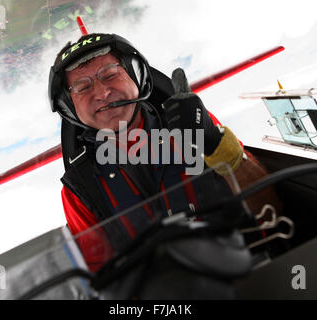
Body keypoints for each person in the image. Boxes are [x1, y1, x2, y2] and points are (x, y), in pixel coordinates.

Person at [49, 33, 281, 271]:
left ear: (135, 76)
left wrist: (212, 141)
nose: (101, 93)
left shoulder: (195, 128)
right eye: (82, 87)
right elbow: (102, 282)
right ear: (70, 107)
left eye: (110, 74)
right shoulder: (79, 189)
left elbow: (269, 209)